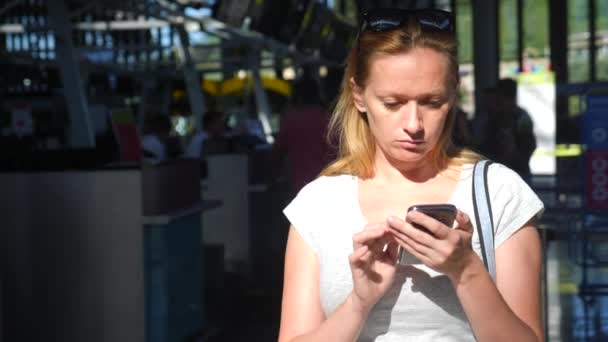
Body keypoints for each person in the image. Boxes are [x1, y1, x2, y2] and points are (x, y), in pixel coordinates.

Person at [278, 8, 544, 342]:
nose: (414, 124)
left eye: (432, 102)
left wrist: (466, 271)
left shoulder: (500, 193)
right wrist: (358, 304)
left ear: (452, 95)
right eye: (393, 103)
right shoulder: (318, 205)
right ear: (358, 95)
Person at [271, 75, 333, 194]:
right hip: (330, 184)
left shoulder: (291, 119)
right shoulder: (329, 118)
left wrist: (272, 179)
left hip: (301, 186)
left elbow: (277, 153)